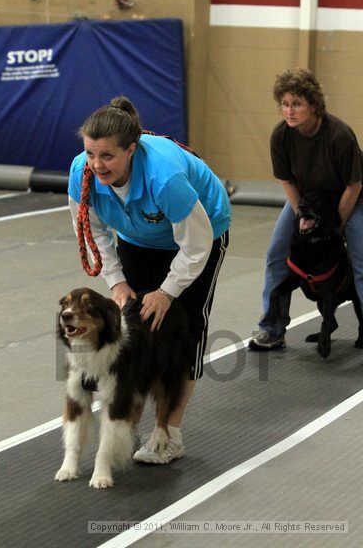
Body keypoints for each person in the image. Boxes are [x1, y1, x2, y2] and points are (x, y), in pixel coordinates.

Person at [68, 95, 232, 463]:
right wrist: (117, 283)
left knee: (182, 327)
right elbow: (92, 233)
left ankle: (168, 434)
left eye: (107, 156)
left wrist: (167, 291)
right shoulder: (82, 174)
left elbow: (196, 244)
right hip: (138, 236)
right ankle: (130, 419)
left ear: (131, 149)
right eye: (91, 154)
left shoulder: (164, 177)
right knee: (134, 329)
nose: (97, 164)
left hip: (201, 234)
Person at [249, 66, 363, 350]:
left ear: (313, 104)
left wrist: (336, 225)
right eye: (285, 104)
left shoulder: (339, 136)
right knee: (276, 253)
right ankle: (272, 327)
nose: (289, 111)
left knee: (361, 262)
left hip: (349, 198)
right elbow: (287, 180)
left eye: (297, 104)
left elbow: (354, 186)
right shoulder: (281, 136)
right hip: (307, 200)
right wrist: (302, 215)